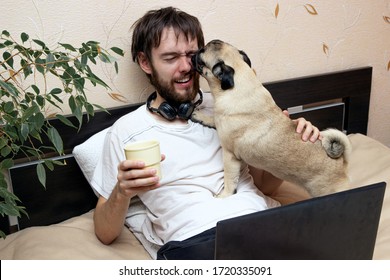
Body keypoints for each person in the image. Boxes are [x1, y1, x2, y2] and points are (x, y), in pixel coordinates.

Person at [91, 6, 321, 259]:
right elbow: (105, 232)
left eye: (191, 55)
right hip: (199, 242)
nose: (185, 67)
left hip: (267, 224)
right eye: (170, 58)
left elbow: (266, 186)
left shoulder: (234, 107)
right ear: (145, 62)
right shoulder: (127, 131)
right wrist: (121, 192)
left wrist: (287, 146)